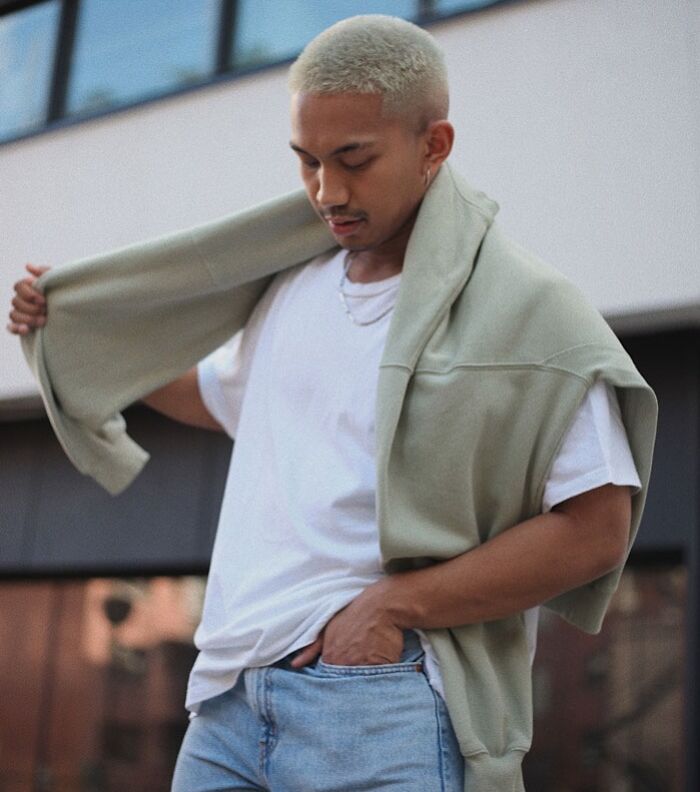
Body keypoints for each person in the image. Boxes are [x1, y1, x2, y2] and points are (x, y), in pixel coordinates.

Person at [8, 15, 655, 792]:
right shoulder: (293, 285)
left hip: (378, 701)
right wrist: (81, 337)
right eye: (307, 161)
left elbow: (596, 528)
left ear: (433, 146)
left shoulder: (528, 310)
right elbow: (227, 403)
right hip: (225, 703)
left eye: (354, 160)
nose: (327, 191)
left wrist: (392, 609)